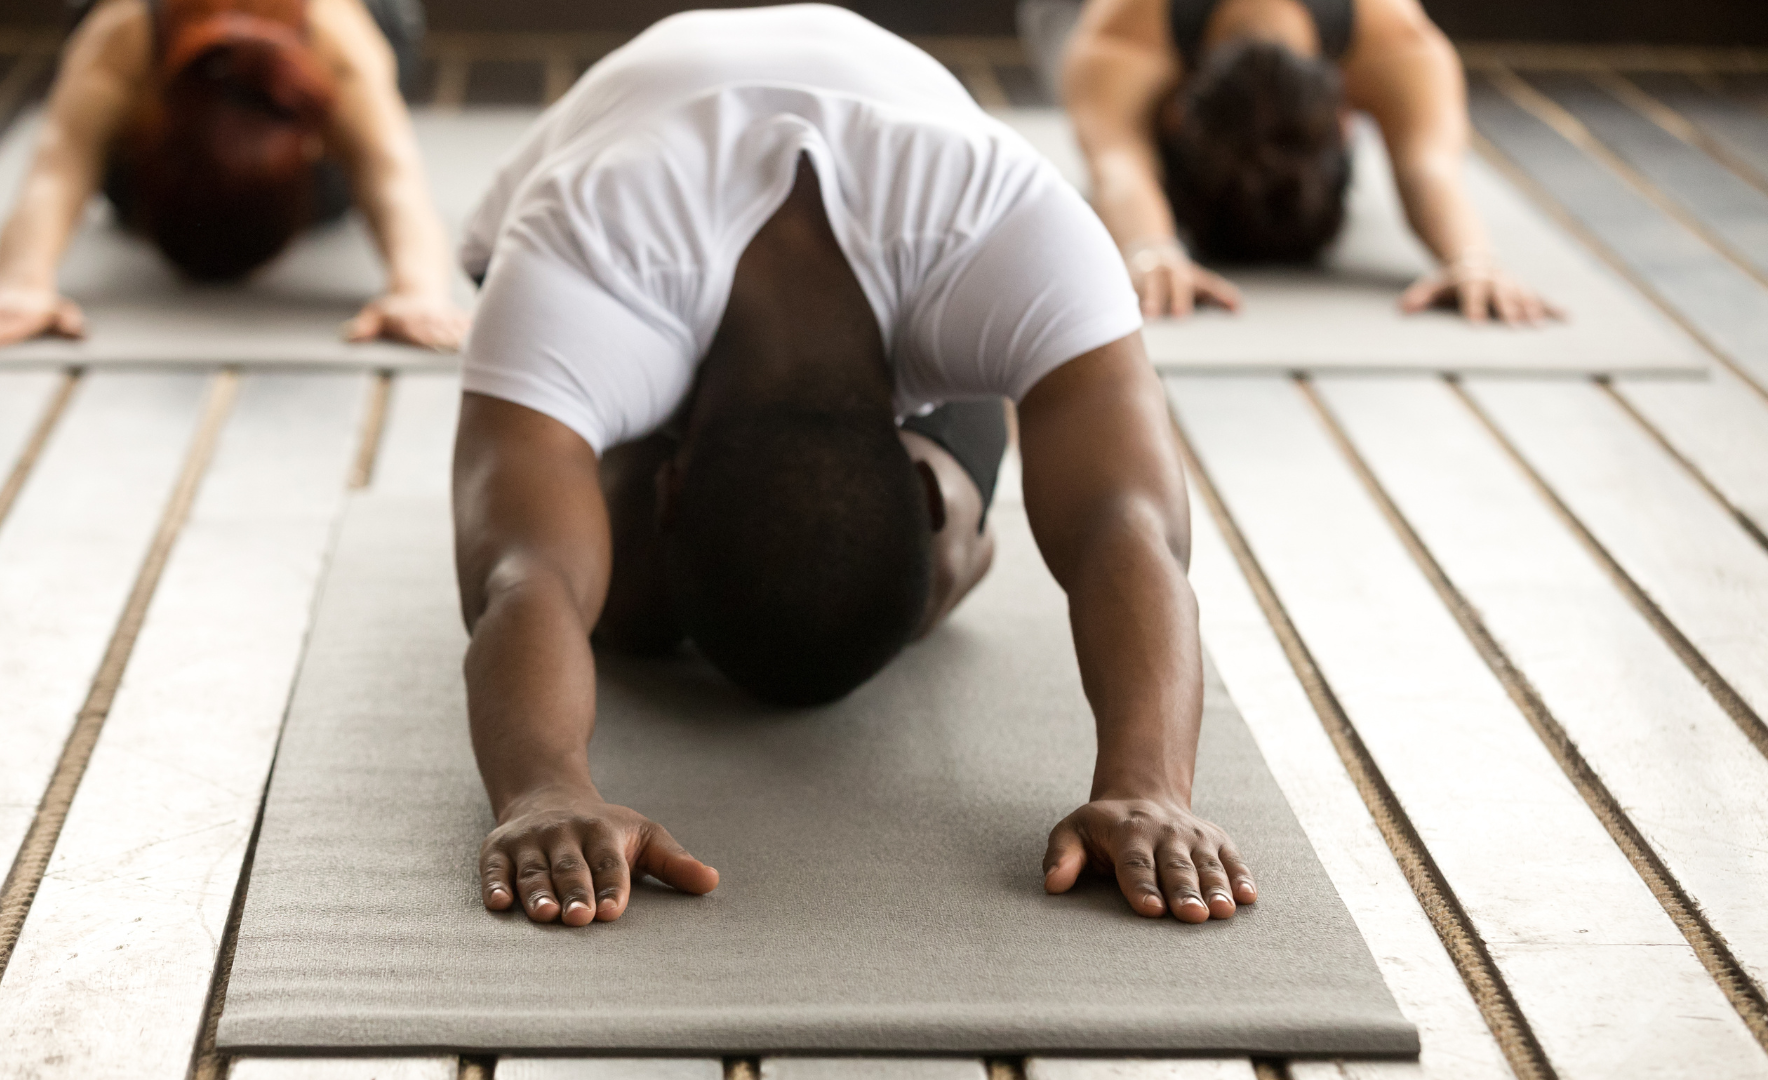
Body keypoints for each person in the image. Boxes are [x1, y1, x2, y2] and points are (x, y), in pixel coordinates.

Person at [452, 4, 1257, 930]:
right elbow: (524, 571)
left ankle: (907, 549)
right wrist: (542, 790)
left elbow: (1130, 522)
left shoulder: (1011, 232)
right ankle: (677, 561)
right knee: (616, 603)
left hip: (905, 264)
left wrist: (1150, 786)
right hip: (614, 211)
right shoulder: (582, 250)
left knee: (884, 571)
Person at [0, 0, 466, 352]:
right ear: (144, 123)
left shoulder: (337, 38)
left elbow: (392, 176)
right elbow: (59, 164)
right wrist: (20, 284)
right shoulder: (122, 30)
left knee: (356, 153)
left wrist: (419, 289)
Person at [1034, 0, 1559, 323]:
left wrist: (1472, 259)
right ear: (1346, 116)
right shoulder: (1117, 31)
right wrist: (1150, 248)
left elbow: (1431, 168)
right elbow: (1118, 162)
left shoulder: (1395, 38)